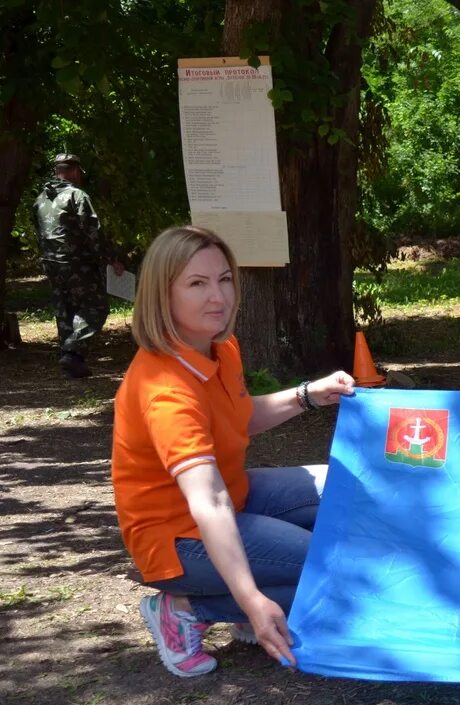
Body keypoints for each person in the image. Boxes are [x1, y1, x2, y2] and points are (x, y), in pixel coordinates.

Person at [111, 225, 354, 677]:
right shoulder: (164, 389)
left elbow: (239, 415)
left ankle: (240, 598)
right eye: (196, 284)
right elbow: (209, 501)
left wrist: (308, 394)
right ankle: (184, 608)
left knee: (344, 491)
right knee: (334, 565)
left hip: (231, 496)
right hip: (175, 538)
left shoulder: (220, 347)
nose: (217, 297)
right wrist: (251, 600)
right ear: (161, 295)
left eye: (223, 279)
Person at [31, 153, 124, 378]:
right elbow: (93, 231)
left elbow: (38, 230)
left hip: (52, 263)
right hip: (78, 264)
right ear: (74, 171)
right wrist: (112, 258)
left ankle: (72, 364)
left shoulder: (40, 199)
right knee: (96, 307)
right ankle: (72, 353)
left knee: (65, 310)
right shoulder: (77, 195)